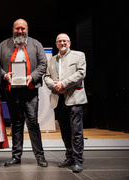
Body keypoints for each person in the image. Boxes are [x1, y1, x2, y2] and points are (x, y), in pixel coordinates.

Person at [0, 19, 48, 167]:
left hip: (30, 90)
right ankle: (16, 156)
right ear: (13, 29)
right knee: (16, 124)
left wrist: (33, 76)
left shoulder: (36, 44)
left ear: (27, 29)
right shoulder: (3, 45)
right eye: (17, 29)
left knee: (32, 124)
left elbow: (43, 64)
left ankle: (40, 157)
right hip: (11, 90)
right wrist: (5, 75)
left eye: (22, 29)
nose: (20, 31)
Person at [44, 33, 88, 173]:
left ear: (69, 43)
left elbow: (81, 73)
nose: (62, 43)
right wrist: (55, 86)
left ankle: (78, 160)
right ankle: (69, 157)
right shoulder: (51, 60)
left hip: (74, 98)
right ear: (56, 44)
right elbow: (46, 77)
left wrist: (63, 84)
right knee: (65, 131)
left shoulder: (79, 55)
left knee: (76, 131)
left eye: (64, 41)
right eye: (59, 41)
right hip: (59, 99)